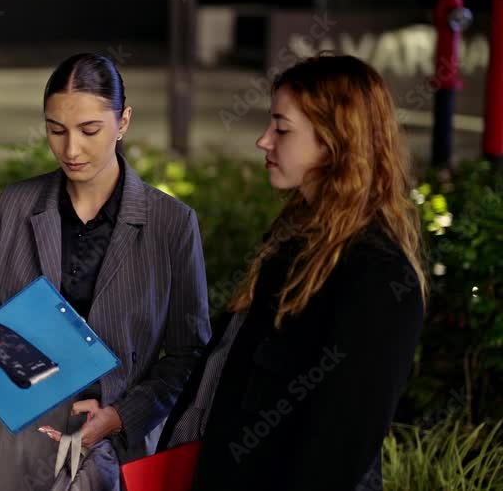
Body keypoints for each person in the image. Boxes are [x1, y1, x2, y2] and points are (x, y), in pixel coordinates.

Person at [160, 54, 426, 491]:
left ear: (335, 140)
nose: (263, 141)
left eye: (282, 129)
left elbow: (338, 450)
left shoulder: (377, 275)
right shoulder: (292, 241)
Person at [0, 53, 211, 490]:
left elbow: (190, 355)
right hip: (23, 440)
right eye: (56, 130)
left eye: (90, 130)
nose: (71, 150)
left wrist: (120, 416)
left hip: (121, 447)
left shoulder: (172, 223)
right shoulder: (15, 205)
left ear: (123, 122)